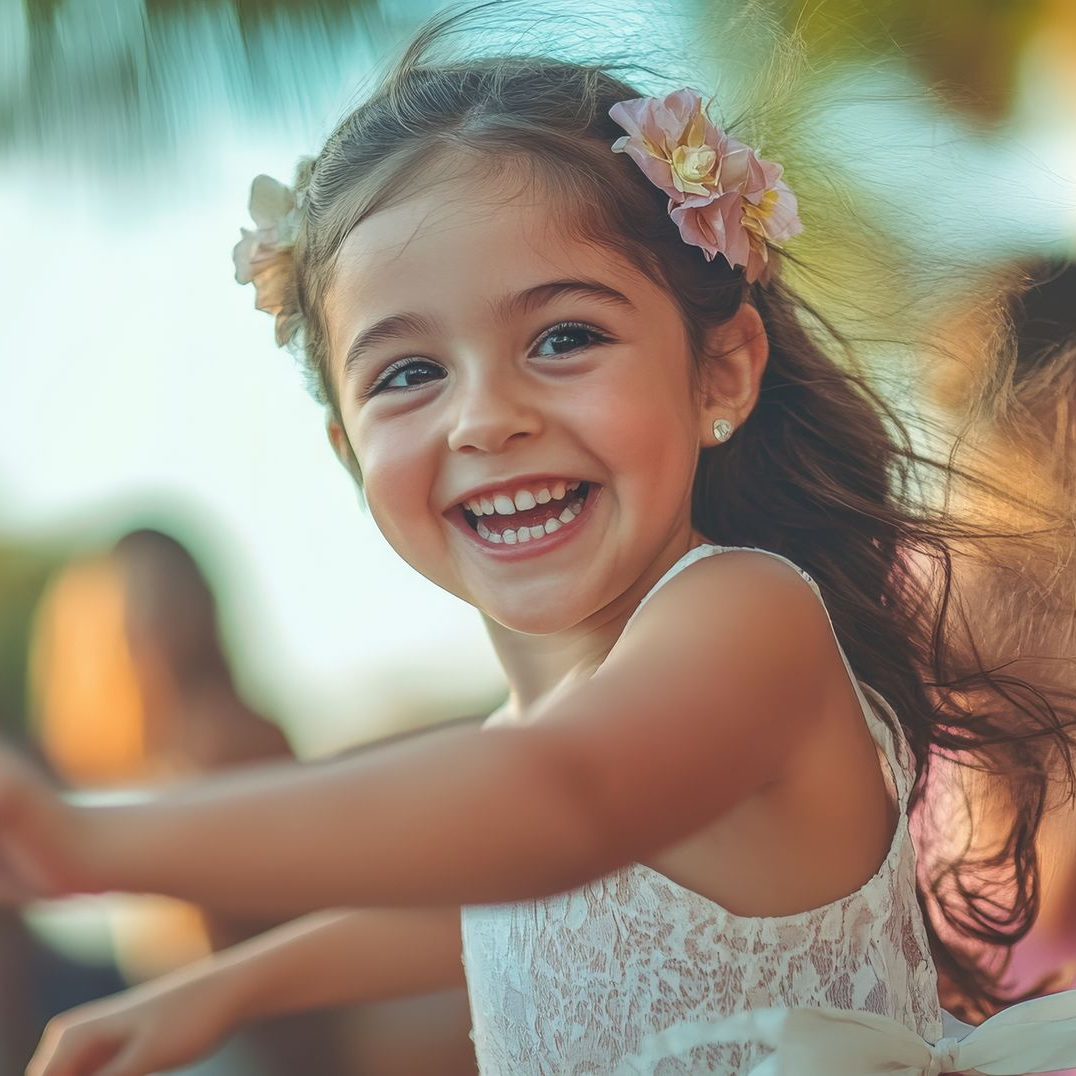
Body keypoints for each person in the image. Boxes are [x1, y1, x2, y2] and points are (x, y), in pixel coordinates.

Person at [6, 5, 1076, 1073]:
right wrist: (231, 982)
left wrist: (95, 840)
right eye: (408, 372)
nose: (484, 416)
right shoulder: (532, 743)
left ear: (722, 370)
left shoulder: (745, 615)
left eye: (564, 336)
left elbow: (561, 803)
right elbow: (507, 897)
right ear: (345, 451)